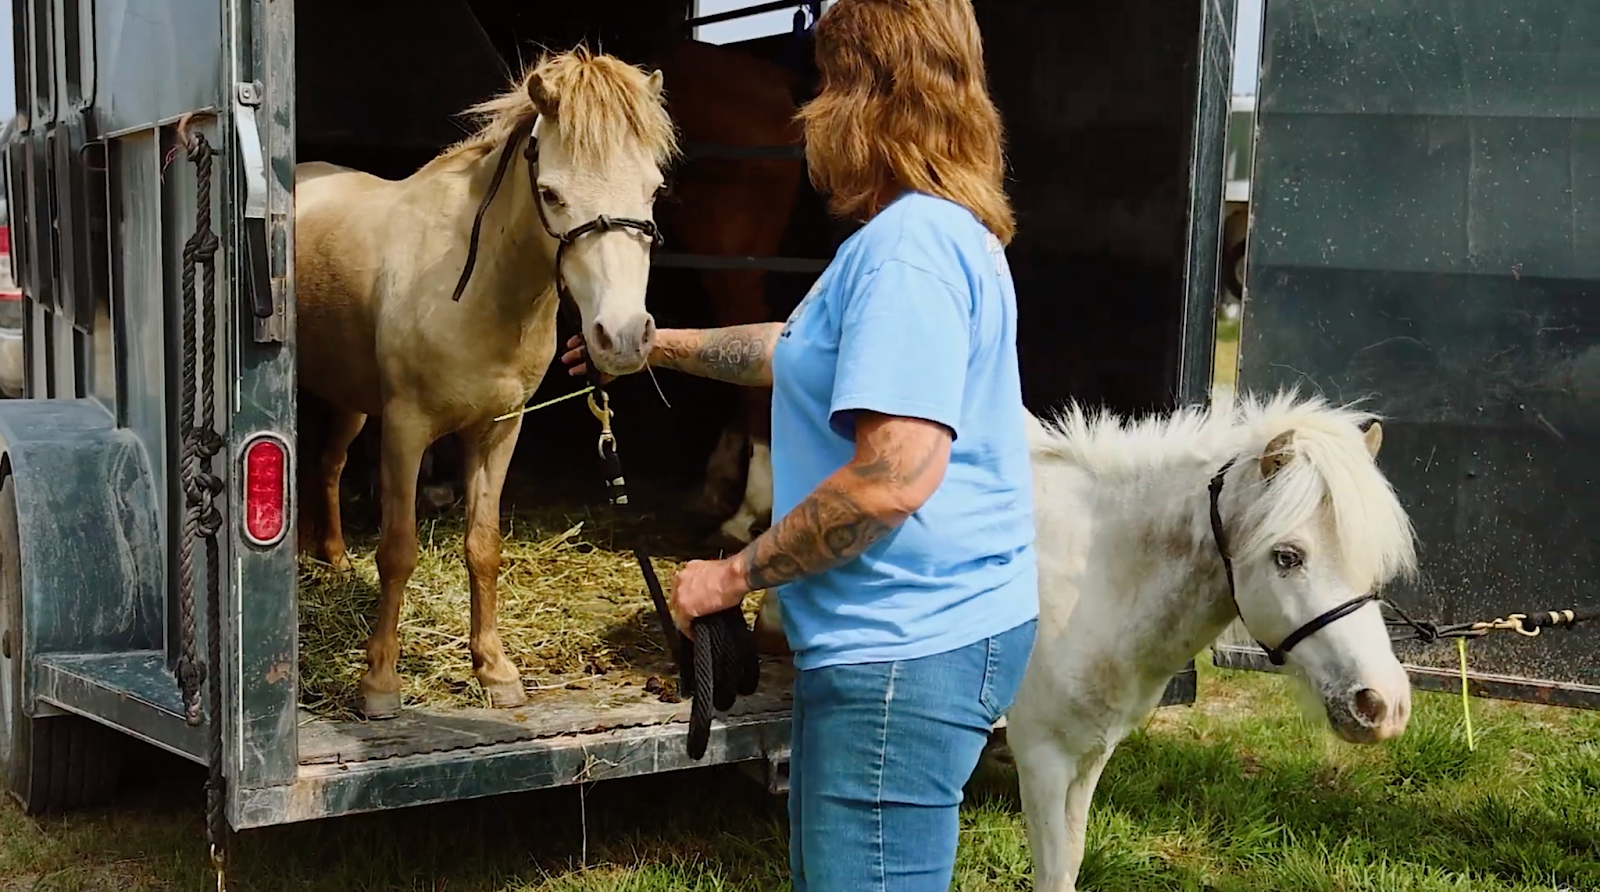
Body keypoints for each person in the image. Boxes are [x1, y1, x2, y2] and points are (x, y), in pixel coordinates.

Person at [562, 1, 1037, 888]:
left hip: (901, 657)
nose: (810, 112)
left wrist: (732, 575)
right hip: (908, 640)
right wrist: (651, 348)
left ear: (864, 97)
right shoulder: (924, 235)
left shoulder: (909, 253)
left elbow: (892, 480)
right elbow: (798, 351)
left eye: (824, 85)